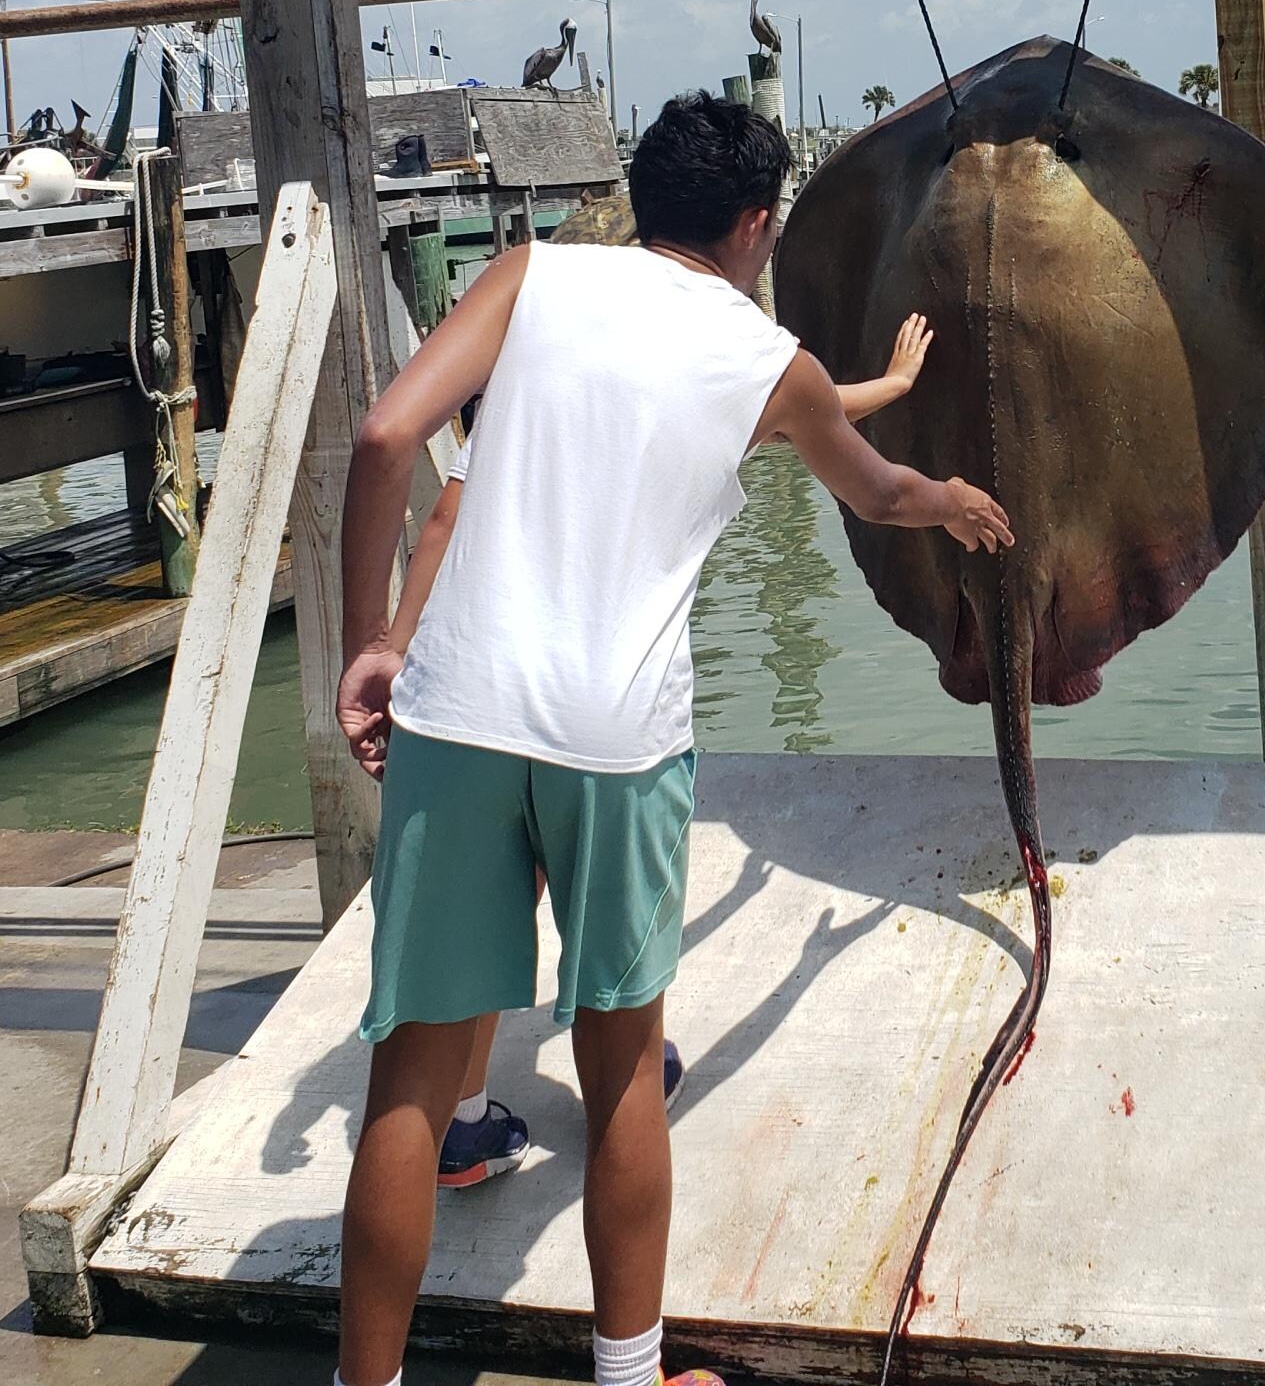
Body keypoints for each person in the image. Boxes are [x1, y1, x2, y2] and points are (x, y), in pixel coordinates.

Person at [331, 95, 1010, 1386]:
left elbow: (384, 437)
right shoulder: (763, 356)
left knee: (412, 1082)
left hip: (457, 714)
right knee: (623, 1069)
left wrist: (370, 643)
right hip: (616, 739)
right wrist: (955, 503)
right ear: (757, 222)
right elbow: (879, 489)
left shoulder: (532, 274)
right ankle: (630, 1377)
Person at [391, 315, 938, 1191]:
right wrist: (899, 387)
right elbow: (814, 414)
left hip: (476, 704)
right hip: (600, 716)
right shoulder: (682, 391)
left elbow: (440, 527)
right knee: (616, 935)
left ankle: (460, 1126)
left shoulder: (521, 402)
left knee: (497, 907)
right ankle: (625, 1083)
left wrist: (393, 648)